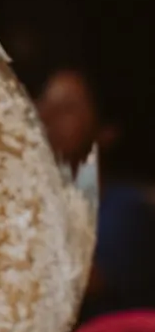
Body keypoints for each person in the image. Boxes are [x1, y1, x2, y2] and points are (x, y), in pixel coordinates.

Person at [37, 67, 155, 316]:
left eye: (67, 108)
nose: (46, 116)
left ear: (106, 132)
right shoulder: (45, 210)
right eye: (44, 104)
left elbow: (72, 281)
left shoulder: (127, 209)